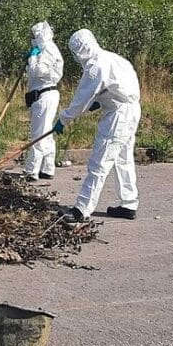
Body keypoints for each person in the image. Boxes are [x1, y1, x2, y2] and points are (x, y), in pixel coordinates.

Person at [54, 29, 141, 222]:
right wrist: (102, 101)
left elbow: (80, 101)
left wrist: (63, 119)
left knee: (99, 162)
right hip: (132, 110)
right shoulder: (113, 58)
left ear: (77, 53)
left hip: (118, 117)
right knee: (123, 159)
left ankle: (81, 210)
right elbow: (121, 87)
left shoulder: (95, 67)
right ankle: (128, 203)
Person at [23, 21, 64, 181]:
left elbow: (37, 71)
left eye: (34, 35)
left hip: (45, 96)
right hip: (43, 95)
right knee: (46, 132)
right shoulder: (46, 49)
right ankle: (47, 168)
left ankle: (31, 170)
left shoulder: (48, 50)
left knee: (38, 134)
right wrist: (30, 59)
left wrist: (32, 58)